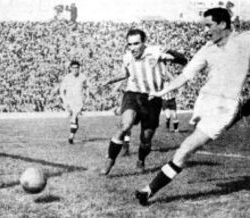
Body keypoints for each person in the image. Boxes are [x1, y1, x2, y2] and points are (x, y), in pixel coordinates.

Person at [135, 8, 250, 206]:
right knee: (187, 147)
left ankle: (148, 190)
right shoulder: (207, 49)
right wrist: (162, 92)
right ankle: (243, 110)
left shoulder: (244, 41)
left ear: (222, 24)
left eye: (208, 25)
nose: (205, 30)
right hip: (205, 102)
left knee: (186, 148)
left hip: (224, 109)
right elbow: (185, 76)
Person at [100, 28, 187, 175]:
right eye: (130, 44)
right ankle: (110, 160)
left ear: (144, 43)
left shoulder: (156, 52)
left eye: (136, 44)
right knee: (125, 125)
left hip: (152, 98)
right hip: (133, 94)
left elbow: (183, 60)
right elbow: (125, 73)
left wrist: (171, 51)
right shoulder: (127, 57)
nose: (132, 48)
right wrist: (111, 80)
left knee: (146, 137)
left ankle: (141, 160)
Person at [60, 60, 89, 144]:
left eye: (77, 68)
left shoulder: (83, 77)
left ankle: (71, 136)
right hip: (69, 100)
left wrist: (87, 96)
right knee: (75, 119)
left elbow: (87, 87)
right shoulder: (67, 78)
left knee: (74, 115)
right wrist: (64, 100)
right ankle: (72, 135)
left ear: (79, 68)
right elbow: (62, 90)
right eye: (73, 68)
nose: (75, 69)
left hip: (79, 100)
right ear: (70, 68)